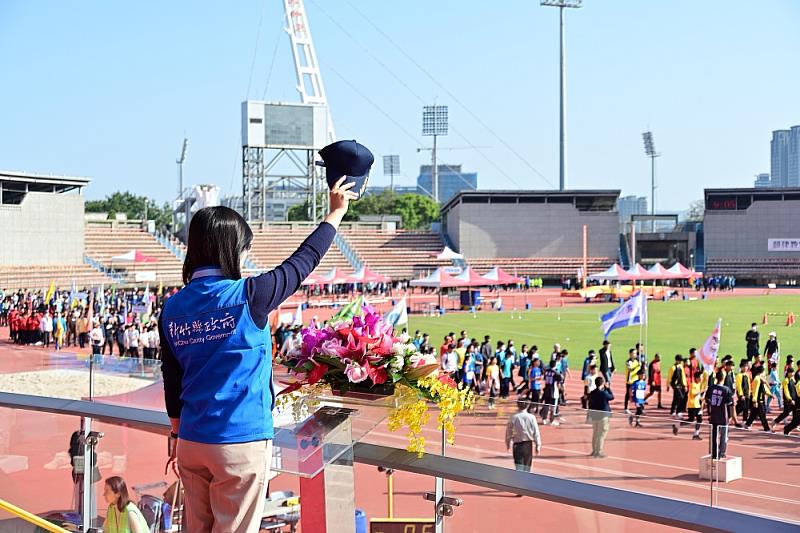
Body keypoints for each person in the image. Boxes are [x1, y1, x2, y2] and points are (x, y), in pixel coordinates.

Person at [161, 175, 359, 532]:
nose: (246, 256)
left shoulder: (173, 307)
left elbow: (171, 380)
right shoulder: (251, 294)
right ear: (231, 250)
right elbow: (304, 261)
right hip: (239, 441)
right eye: (244, 249)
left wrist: (177, 434)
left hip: (190, 441)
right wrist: (335, 213)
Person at [505, 400, 541, 473]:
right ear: (527, 406)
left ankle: (519, 481)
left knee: (519, 466)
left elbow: (508, 432)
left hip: (517, 444)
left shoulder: (513, 417)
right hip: (528, 444)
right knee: (527, 466)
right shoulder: (531, 417)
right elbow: (536, 432)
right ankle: (526, 481)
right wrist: (538, 445)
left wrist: (508, 443)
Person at [706, 370, 736, 459]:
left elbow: (707, 400)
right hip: (723, 416)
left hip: (714, 415)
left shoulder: (711, 388)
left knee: (714, 435)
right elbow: (730, 404)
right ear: (723, 378)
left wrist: (709, 413)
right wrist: (730, 416)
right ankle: (721, 452)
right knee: (723, 436)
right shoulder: (726, 389)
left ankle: (714, 454)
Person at [674, 369, 706, 440]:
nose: (702, 378)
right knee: (691, 420)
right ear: (697, 378)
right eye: (701, 377)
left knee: (699, 419)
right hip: (692, 405)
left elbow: (697, 396)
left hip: (697, 405)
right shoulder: (693, 385)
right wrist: (702, 391)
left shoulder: (698, 385)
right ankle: (678, 425)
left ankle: (696, 434)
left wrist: (702, 399)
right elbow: (694, 394)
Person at [587, 375, 614, 458]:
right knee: (601, 434)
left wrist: (589, 415)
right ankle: (599, 451)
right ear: (602, 384)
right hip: (603, 416)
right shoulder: (603, 393)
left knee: (595, 434)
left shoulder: (592, 393)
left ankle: (594, 450)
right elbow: (612, 397)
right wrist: (608, 388)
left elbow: (590, 404)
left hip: (595, 415)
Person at [745, 365, 773, 431]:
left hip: (761, 399)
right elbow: (755, 390)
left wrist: (769, 394)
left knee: (754, 413)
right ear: (762, 372)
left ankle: (747, 424)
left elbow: (764, 389)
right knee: (762, 415)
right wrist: (754, 401)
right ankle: (767, 428)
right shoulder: (757, 379)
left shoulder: (761, 379)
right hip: (758, 400)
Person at [772, 366, 797, 432]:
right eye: (791, 372)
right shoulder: (785, 380)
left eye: (793, 372)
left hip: (795, 400)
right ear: (788, 373)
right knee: (786, 413)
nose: (792, 373)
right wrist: (790, 399)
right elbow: (786, 391)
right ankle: (775, 422)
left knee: (795, 413)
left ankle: (794, 425)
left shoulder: (793, 379)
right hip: (788, 400)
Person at [540, 360, 562, 425]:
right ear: (555, 365)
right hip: (554, 392)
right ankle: (551, 420)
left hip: (547, 390)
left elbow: (545, 379)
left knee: (546, 405)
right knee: (553, 407)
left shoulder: (546, 372)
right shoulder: (556, 373)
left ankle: (544, 419)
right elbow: (559, 383)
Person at [735, 359, 752, 425]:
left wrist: (750, 392)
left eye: (746, 366)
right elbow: (739, 386)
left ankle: (745, 420)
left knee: (746, 407)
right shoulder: (739, 375)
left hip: (747, 394)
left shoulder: (747, 375)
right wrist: (741, 395)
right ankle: (732, 415)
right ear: (741, 367)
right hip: (742, 394)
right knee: (741, 406)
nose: (745, 368)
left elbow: (748, 385)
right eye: (744, 366)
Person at [783, 370, 800, 435]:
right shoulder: (798, 384)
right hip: (798, 403)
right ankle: (787, 429)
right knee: (797, 421)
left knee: (796, 421)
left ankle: (787, 428)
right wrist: (790, 399)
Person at [623, 349, 641, 413]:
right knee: (628, 394)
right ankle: (626, 408)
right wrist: (638, 366)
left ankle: (639, 407)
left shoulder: (637, 361)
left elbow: (639, 371)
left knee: (637, 394)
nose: (635, 355)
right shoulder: (628, 362)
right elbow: (630, 369)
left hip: (636, 380)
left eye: (636, 353)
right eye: (634, 353)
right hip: (630, 380)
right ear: (630, 354)